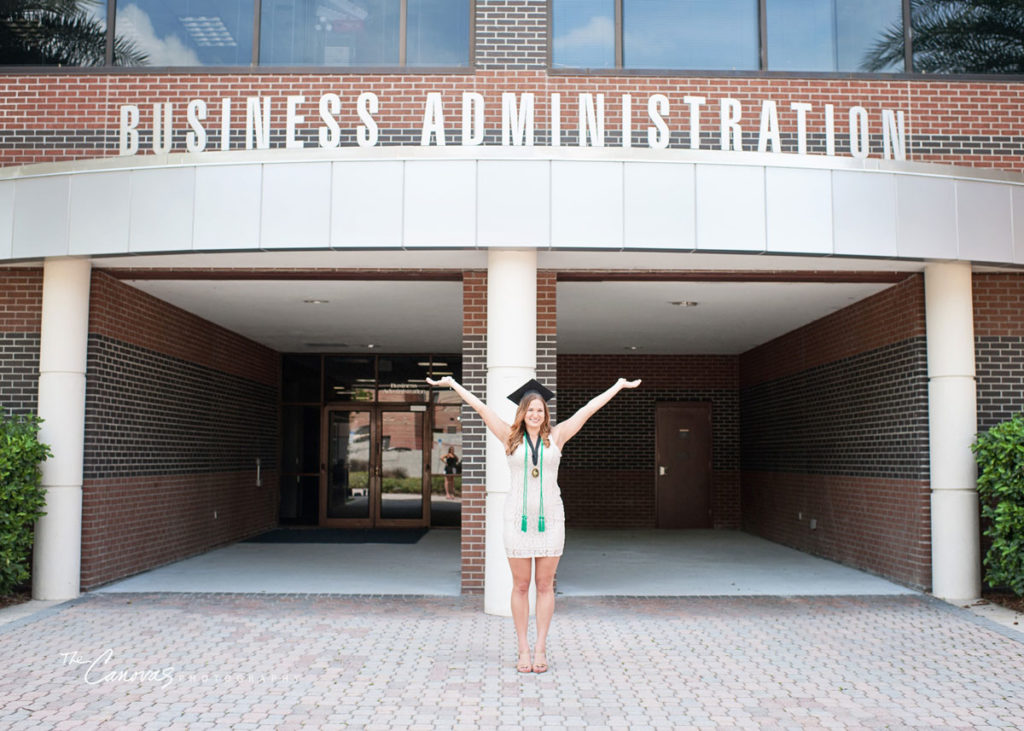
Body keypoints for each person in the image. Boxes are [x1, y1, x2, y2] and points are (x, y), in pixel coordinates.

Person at [426, 374, 641, 674]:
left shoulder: (558, 436)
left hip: (551, 519)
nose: (535, 414)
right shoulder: (509, 436)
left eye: (540, 409)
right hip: (517, 519)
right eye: (530, 409)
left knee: (544, 585)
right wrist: (452, 384)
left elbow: (588, 409)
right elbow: (481, 408)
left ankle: (540, 647)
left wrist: (617, 386)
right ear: (523, 412)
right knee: (521, 585)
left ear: (545, 413)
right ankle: (523, 649)